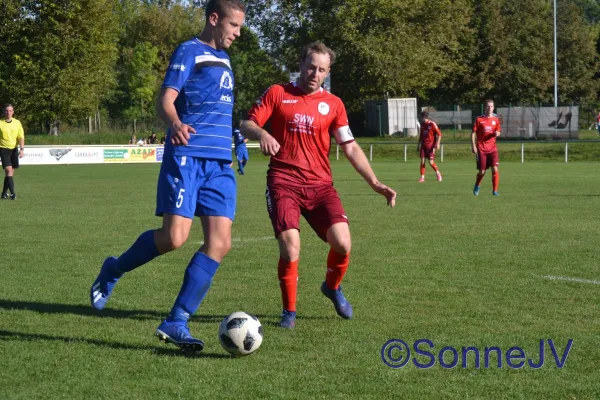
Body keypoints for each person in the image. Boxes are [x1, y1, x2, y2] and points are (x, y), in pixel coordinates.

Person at [90, 0, 245, 351]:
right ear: (214, 18)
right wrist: (174, 123)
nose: (238, 33)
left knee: (220, 243)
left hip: (219, 164)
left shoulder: (226, 60)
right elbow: (166, 98)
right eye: (234, 25)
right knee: (174, 237)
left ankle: (177, 320)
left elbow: (216, 109)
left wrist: (236, 138)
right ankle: (114, 268)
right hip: (188, 156)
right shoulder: (190, 51)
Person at [240, 41, 396, 329]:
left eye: (321, 69)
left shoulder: (334, 104)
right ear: (300, 63)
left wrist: (374, 182)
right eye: (311, 66)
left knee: (343, 243)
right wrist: (261, 132)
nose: (315, 73)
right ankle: (289, 313)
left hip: (320, 185)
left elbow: (349, 147)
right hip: (283, 181)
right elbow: (246, 124)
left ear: (327, 72)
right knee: (290, 246)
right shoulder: (278, 93)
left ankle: (332, 287)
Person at [472, 99, 501, 196]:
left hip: (492, 148)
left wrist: (497, 133)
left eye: (492, 106)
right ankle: (477, 185)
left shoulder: (496, 119)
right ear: (485, 107)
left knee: (495, 169)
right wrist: (473, 145)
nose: (490, 108)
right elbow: (473, 133)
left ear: (494, 107)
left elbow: (498, 131)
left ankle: (495, 191)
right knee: (482, 172)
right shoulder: (479, 119)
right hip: (481, 148)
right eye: (488, 106)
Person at [0, 104, 25, 200]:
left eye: (10, 111)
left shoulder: (17, 123)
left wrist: (22, 149)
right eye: (6, 111)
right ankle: (13, 194)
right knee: (8, 170)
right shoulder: (1, 123)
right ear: (4, 112)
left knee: (10, 173)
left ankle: (3, 193)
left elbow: (21, 137)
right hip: (3, 149)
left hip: (14, 149)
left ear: (13, 112)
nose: (8, 112)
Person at [416, 111, 442, 182]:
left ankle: (438, 173)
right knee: (422, 162)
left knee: (431, 162)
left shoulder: (432, 124)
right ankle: (422, 177)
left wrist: (438, 144)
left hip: (430, 147)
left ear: (423, 117)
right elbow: (421, 136)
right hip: (423, 146)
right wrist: (418, 145)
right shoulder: (422, 124)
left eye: (421, 117)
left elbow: (439, 134)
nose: (421, 118)